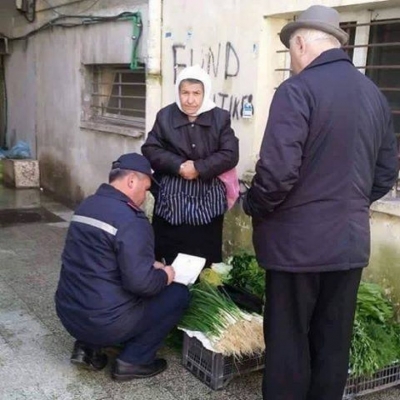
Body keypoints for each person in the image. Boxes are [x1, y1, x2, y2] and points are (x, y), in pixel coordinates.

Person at [243, 5, 398, 400]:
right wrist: (345, 205)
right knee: (332, 343)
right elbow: (385, 173)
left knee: (288, 343)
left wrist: (254, 206)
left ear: (298, 42)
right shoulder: (373, 95)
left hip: (297, 249)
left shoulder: (298, 90)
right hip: (348, 245)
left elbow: (276, 174)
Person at [55, 153, 190, 381]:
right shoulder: (131, 219)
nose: (146, 196)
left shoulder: (87, 205)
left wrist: (148, 264)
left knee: (97, 285)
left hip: (68, 313)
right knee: (178, 295)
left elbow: (100, 258)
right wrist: (165, 275)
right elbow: (142, 285)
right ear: (131, 181)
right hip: (105, 322)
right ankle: (134, 360)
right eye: (147, 189)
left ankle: (87, 349)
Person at [141, 65, 239, 266]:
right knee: (168, 255)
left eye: (196, 93)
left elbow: (230, 154)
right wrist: (178, 166)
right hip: (172, 200)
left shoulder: (220, 118)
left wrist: (199, 168)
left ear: (205, 93)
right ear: (178, 92)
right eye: (185, 92)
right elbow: (150, 148)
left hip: (207, 198)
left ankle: (199, 293)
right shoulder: (165, 116)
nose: (190, 99)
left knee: (203, 256)